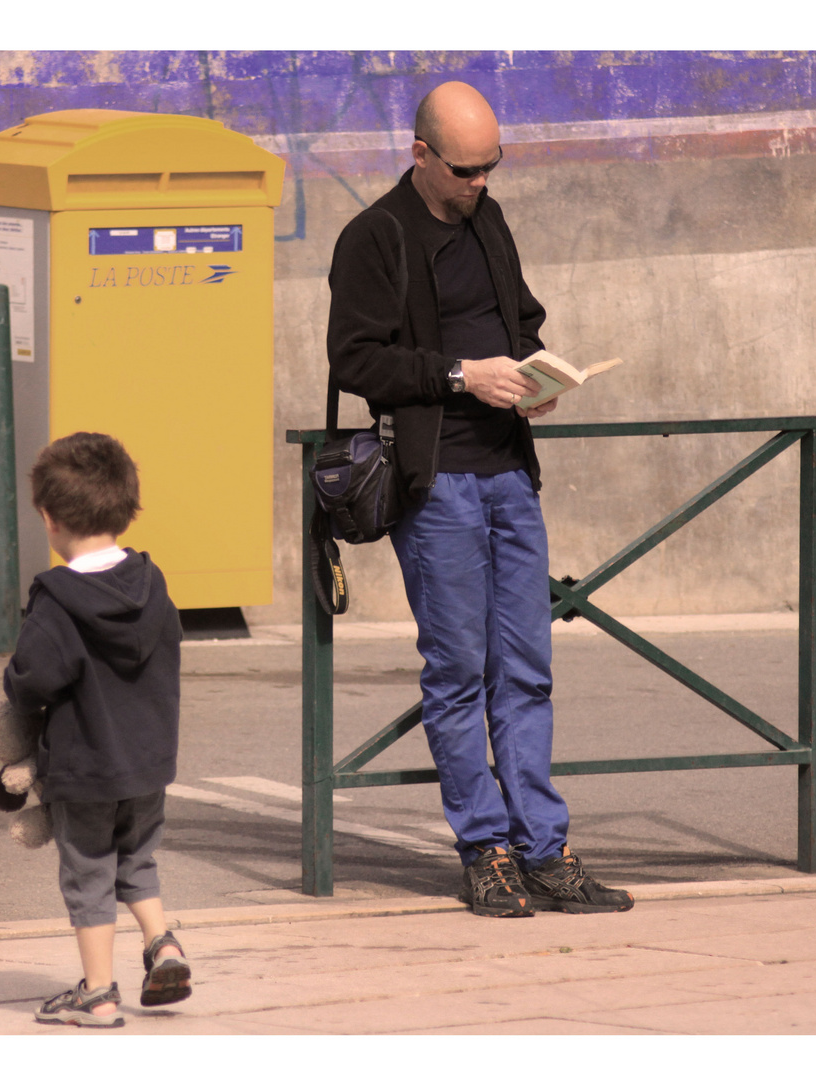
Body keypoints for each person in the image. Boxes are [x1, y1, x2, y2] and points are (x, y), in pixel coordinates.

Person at [326, 81, 634, 919]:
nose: (480, 184)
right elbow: (357, 360)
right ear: (420, 155)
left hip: (508, 471)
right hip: (438, 481)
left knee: (527, 673)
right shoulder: (374, 236)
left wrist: (534, 374)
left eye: (492, 166)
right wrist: (461, 375)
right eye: (465, 169)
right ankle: (485, 851)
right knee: (458, 672)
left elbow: (520, 319)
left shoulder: (485, 218)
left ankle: (545, 850)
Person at [3, 431, 191, 1027]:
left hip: (85, 767)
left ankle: (98, 993)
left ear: (49, 517)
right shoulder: (152, 584)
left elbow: (32, 677)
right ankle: (163, 942)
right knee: (136, 856)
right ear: (125, 507)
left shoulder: (57, 598)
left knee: (88, 874)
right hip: (148, 763)